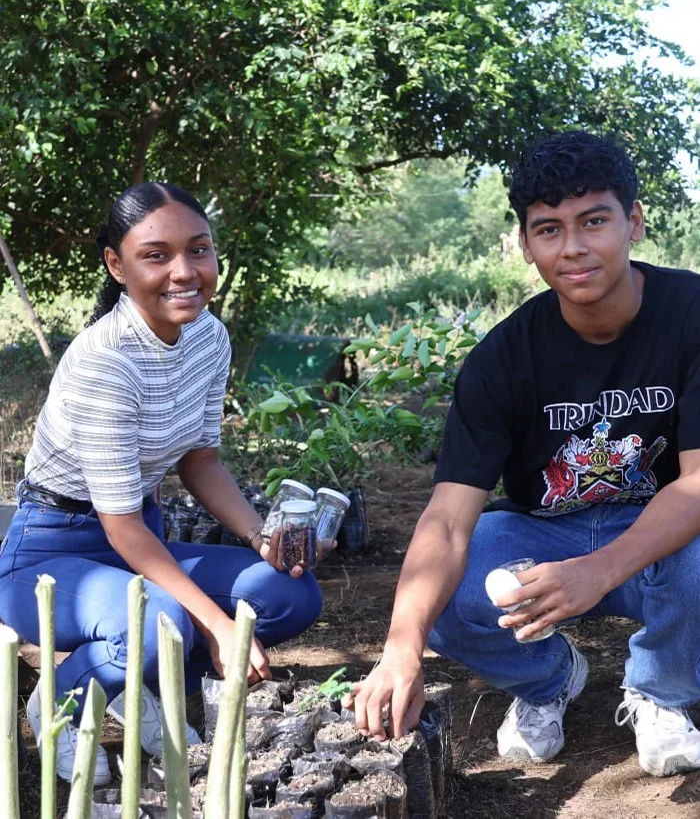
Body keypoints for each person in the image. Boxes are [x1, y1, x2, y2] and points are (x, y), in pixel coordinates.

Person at [348, 131, 700, 778]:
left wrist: (600, 569)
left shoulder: (692, 315)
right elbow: (448, 521)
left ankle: (663, 692)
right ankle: (547, 680)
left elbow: (698, 484)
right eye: (548, 229)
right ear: (525, 243)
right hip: (546, 533)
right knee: (443, 597)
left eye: (594, 221)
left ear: (635, 222)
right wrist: (402, 647)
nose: (573, 247)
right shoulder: (502, 359)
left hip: (662, 535)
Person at [0, 182, 323, 784]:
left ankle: (134, 684)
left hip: (137, 541)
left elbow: (200, 462)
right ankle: (61, 704)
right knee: (163, 622)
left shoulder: (208, 337)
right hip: (51, 554)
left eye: (199, 250)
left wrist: (260, 537)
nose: (185, 271)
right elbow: (120, 529)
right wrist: (218, 627)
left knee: (287, 596)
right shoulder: (106, 361)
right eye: (156, 255)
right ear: (116, 266)